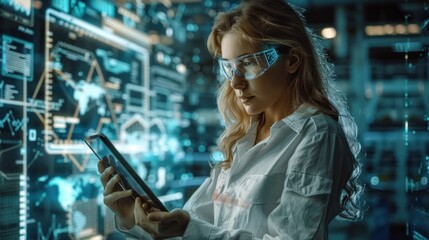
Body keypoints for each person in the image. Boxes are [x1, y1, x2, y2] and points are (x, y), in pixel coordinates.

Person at [98, 0, 364, 239]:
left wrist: (187, 228)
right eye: (229, 67)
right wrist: (131, 216)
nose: (235, 82)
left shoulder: (316, 134)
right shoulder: (243, 136)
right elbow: (186, 230)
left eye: (248, 63)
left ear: (292, 60)